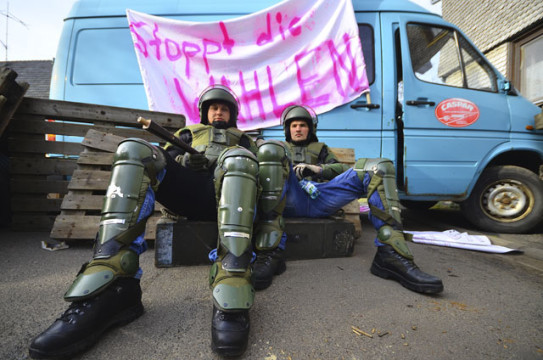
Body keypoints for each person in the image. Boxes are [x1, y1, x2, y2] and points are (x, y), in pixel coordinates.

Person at [28, 85, 290, 359]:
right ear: (204, 112)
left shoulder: (244, 140)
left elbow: (265, 172)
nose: (219, 112)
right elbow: (165, 159)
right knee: (134, 150)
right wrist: (184, 158)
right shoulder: (187, 133)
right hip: (188, 192)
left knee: (240, 159)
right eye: (214, 108)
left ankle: (233, 277)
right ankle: (113, 281)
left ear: (233, 114)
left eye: (224, 108)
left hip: (232, 195)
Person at [252, 105, 444, 295]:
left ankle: (392, 252)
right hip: (290, 197)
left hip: (322, 196)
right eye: (293, 126)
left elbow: (342, 170)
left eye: (302, 125)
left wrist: (318, 169)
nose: (298, 129)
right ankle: (270, 250)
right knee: (270, 151)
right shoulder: (279, 148)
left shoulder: (320, 149)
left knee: (378, 167)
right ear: (287, 129)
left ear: (310, 128)